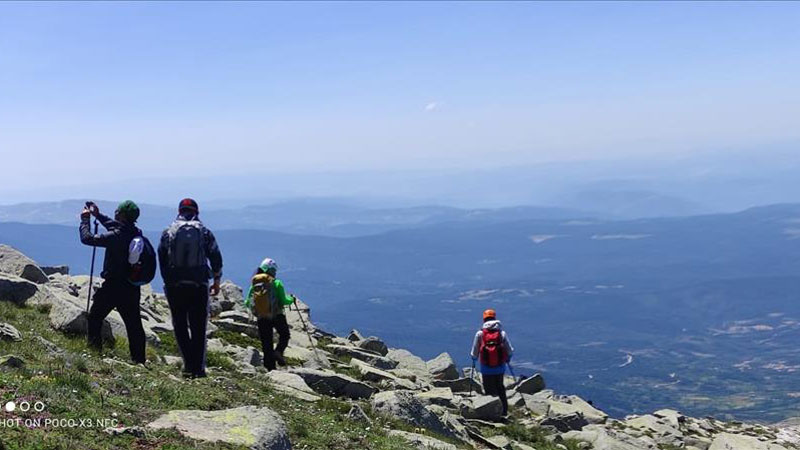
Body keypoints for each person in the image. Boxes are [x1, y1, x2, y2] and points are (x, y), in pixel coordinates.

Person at [158, 198, 223, 378]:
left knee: (179, 324)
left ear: (179, 210)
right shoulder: (204, 232)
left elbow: (162, 257)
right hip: (199, 285)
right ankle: (198, 368)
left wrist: (168, 280)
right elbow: (215, 257)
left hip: (175, 285)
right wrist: (216, 280)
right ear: (197, 212)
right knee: (198, 327)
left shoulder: (168, 232)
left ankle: (188, 364)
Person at [79, 200, 147, 365]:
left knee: (95, 317)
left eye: (117, 211)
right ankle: (139, 360)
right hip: (131, 286)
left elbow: (87, 239)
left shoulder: (116, 236)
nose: (115, 213)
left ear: (122, 215)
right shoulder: (135, 232)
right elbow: (114, 226)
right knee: (134, 325)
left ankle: (95, 352)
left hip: (113, 286)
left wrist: (85, 221)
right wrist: (98, 215)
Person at [244, 258, 296, 371]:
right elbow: (284, 300)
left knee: (266, 342)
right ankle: (278, 352)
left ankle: (270, 369)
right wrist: (291, 299)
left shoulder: (255, 283)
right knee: (284, 335)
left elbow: (247, 302)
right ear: (272, 270)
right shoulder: (276, 283)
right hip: (277, 315)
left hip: (262, 317)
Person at [470, 308, 514, 417]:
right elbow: (510, 350)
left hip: (486, 367)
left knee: (489, 388)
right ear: (495, 318)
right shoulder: (501, 333)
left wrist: (474, 359)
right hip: (500, 366)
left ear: (484, 319)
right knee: (500, 387)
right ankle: (504, 411)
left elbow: (475, 351)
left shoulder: (480, 334)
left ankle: (492, 412)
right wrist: (507, 358)